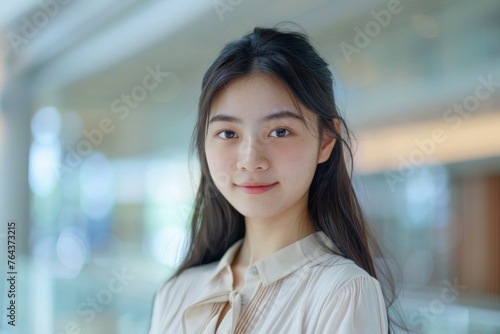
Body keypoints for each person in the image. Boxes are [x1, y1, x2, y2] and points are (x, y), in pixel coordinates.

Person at [148, 26, 405, 333]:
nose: (251, 160)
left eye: (279, 132)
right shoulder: (177, 293)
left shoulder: (342, 292)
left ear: (325, 141)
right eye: (228, 133)